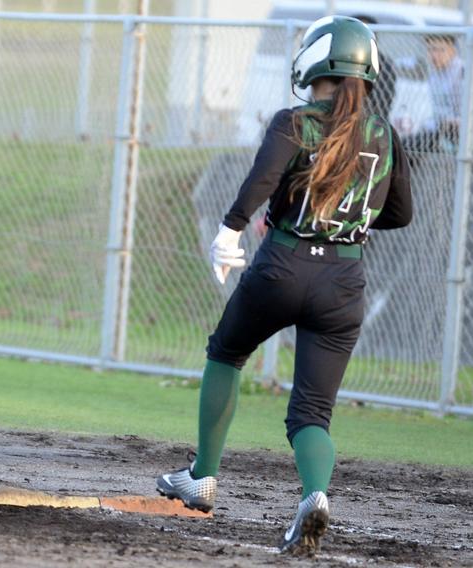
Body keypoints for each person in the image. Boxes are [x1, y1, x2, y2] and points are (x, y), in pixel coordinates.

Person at [155, 16, 412, 556]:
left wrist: (229, 233)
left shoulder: (294, 121)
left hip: (284, 265)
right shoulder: (384, 133)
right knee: (311, 414)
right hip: (344, 280)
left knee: (226, 352)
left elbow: (262, 181)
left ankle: (202, 476)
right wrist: (345, 219)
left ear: (315, 60)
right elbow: (400, 213)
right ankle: (315, 496)